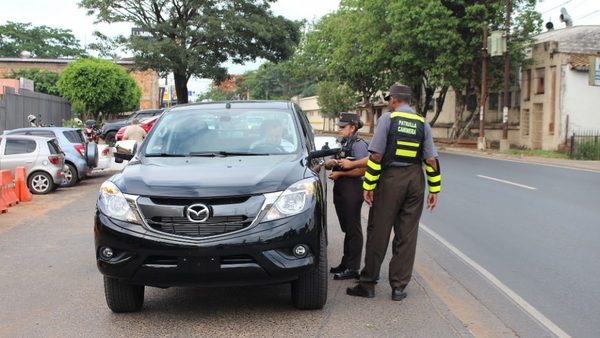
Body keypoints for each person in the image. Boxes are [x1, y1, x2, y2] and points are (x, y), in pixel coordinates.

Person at [345, 84, 442, 301]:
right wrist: (434, 189)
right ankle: (398, 287)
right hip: (415, 180)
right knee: (406, 235)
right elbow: (431, 160)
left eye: (390, 100)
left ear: (394, 100)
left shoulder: (388, 120)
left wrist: (369, 185)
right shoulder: (422, 123)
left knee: (379, 231)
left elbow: (377, 156)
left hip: (391, 179)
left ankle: (368, 284)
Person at [324, 112, 369, 280]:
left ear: (353, 127)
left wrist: (341, 175)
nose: (340, 129)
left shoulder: (358, 144)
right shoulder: (345, 143)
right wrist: (331, 164)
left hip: (352, 188)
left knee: (353, 228)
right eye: (339, 126)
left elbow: (365, 168)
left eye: (343, 127)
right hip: (341, 188)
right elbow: (341, 163)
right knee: (347, 228)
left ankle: (353, 267)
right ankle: (345, 262)